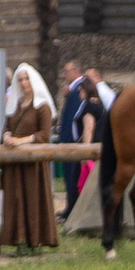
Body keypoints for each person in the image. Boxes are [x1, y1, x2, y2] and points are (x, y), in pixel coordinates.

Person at [0, 63, 59, 250]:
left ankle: (35, 240)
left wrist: (21, 141)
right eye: (20, 80)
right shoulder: (15, 105)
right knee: (15, 199)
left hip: (33, 165)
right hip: (14, 163)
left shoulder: (42, 107)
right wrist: (7, 136)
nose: (24, 83)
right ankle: (18, 239)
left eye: (26, 79)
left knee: (33, 199)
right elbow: (7, 127)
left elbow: (44, 134)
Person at [55, 59, 95, 224]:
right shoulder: (72, 90)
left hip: (73, 142)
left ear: (75, 71)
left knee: (73, 177)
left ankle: (72, 209)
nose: (64, 75)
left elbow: (75, 118)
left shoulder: (79, 89)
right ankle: (69, 207)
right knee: (69, 177)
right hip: (69, 141)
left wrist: (70, 139)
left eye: (67, 71)